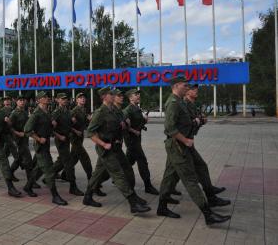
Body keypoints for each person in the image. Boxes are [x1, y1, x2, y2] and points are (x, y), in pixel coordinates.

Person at [156, 76, 231, 225]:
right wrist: (185, 140)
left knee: (175, 174)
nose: (187, 88)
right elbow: (170, 129)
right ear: (176, 86)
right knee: (190, 179)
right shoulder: (173, 103)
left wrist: (195, 123)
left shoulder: (180, 102)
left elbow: (185, 122)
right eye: (185, 86)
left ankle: (162, 206)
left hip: (184, 144)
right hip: (178, 145)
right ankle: (208, 214)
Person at [82, 87, 151, 214]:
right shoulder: (100, 112)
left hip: (116, 147)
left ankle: (87, 196)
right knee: (119, 174)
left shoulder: (114, 110)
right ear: (104, 97)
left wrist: (125, 125)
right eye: (110, 94)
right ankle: (133, 202)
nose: (113, 95)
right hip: (106, 149)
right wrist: (103, 143)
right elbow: (90, 133)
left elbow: (122, 123)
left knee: (120, 171)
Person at [23, 91, 68, 205]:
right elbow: (27, 130)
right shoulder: (36, 114)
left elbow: (47, 127)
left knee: (38, 169)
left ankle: (28, 187)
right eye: (44, 97)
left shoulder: (47, 112)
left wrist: (52, 125)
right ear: (38, 100)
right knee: (49, 171)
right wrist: (38, 138)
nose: (47, 98)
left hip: (46, 144)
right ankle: (55, 196)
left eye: (47, 97)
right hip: (40, 146)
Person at [123, 89, 159, 195]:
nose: (138, 96)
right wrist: (134, 131)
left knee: (128, 161)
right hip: (131, 140)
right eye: (136, 95)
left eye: (138, 94)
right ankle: (148, 185)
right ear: (130, 98)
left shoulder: (137, 108)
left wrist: (144, 120)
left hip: (137, 139)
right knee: (142, 161)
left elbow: (138, 122)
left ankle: (118, 177)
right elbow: (124, 125)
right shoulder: (127, 110)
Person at [52, 93, 84, 196]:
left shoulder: (67, 112)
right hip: (60, 140)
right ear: (58, 100)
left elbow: (68, 125)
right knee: (69, 164)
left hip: (66, 139)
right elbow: (50, 128)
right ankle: (73, 187)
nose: (65, 100)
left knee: (61, 161)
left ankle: (49, 176)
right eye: (62, 99)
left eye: (66, 99)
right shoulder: (56, 112)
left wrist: (72, 124)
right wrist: (59, 136)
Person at [9, 96, 34, 189]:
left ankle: (10, 172)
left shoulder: (25, 112)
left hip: (24, 138)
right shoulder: (14, 113)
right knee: (28, 160)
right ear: (16, 102)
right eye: (20, 100)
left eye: (23, 100)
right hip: (18, 139)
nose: (22, 102)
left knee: (19, 158)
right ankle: (31, 181)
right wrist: (17, 133)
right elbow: (9, 127)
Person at [68, 93, 93, 184]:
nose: (83, 99)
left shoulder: (84, 110)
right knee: (84, 157)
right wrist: (75, 131)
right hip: (74, 138)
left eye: (84, 97)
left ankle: (62, 174)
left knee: (73, 158)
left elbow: (85, 124)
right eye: (80, 98)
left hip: (80, 137)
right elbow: (68, 125)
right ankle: (91, 178)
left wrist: (90, 120)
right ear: (77, 100)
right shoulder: (74, 111)